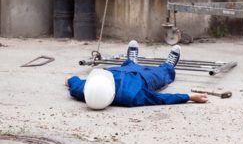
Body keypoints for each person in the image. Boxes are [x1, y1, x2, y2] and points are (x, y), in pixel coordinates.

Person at [66, 40, 208, 109]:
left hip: (120, 70)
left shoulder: (87, 91)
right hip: (146, 79)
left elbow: (74, 83)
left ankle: (132, 61)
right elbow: (160, 98)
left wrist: (69, 79)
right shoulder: (131, 96)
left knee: (129, 65)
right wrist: (189, 97)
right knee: (161, 74)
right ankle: (169, 65)